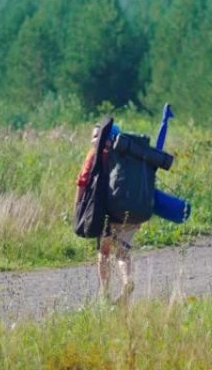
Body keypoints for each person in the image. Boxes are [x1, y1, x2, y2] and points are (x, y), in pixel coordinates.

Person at [75, 123, 140, 305]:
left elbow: (82, 182)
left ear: (107, 137)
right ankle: (127, 281)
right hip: (130, 214)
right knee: (123, 254)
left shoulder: (95, 156)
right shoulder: (128, 157)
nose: (93, 140)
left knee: (104, 253)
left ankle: (104, 295)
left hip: (106, 214)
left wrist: (79, 208)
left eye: (96, 136)